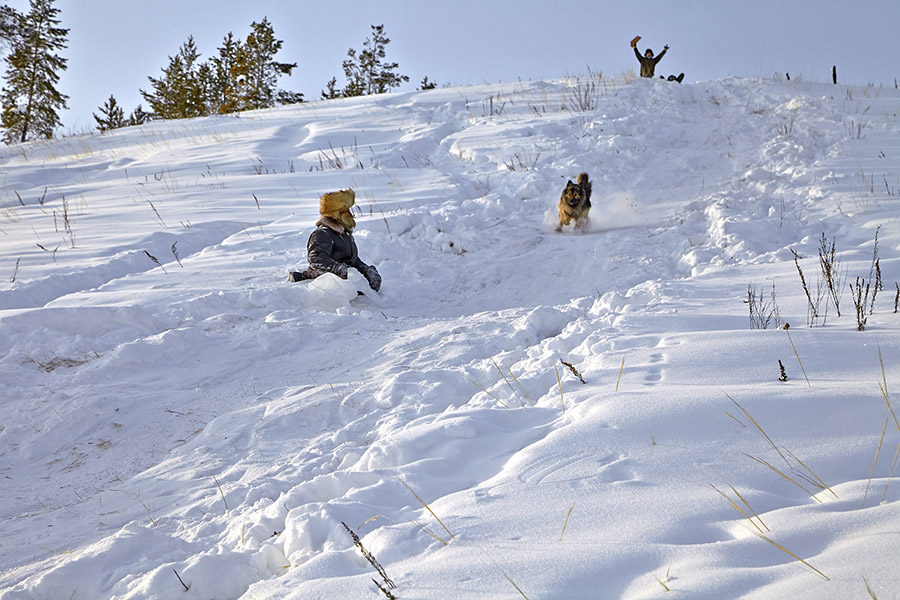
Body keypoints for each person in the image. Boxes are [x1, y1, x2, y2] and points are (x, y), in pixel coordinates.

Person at [288, 189, 382, 292]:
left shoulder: (345, 234)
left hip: (348, 284)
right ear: (336, 213)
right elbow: (316, 259)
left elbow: (353, 260)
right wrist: (340, 269)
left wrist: (365, 270)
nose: (350, 214)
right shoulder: (323, 233)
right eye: (345, 210)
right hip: (329, 288)